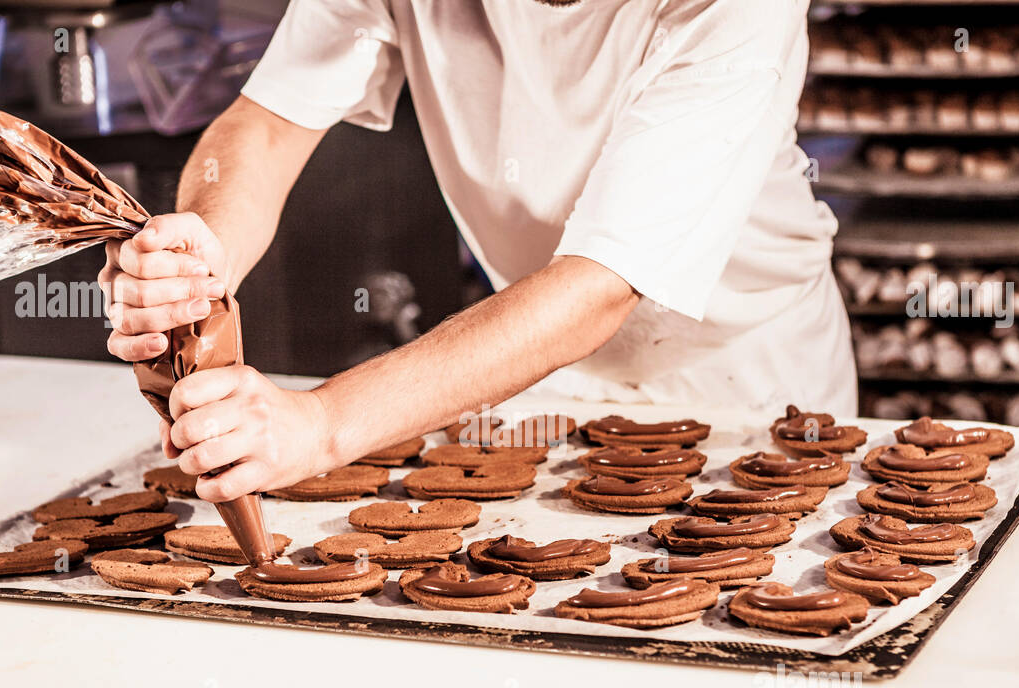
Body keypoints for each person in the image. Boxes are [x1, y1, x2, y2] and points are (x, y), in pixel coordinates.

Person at [100, 0, 855, 503]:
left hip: (752, 372)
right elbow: (265, 125)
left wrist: (321, 425)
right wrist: (198, 249)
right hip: (523, 361)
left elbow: (600, 285)